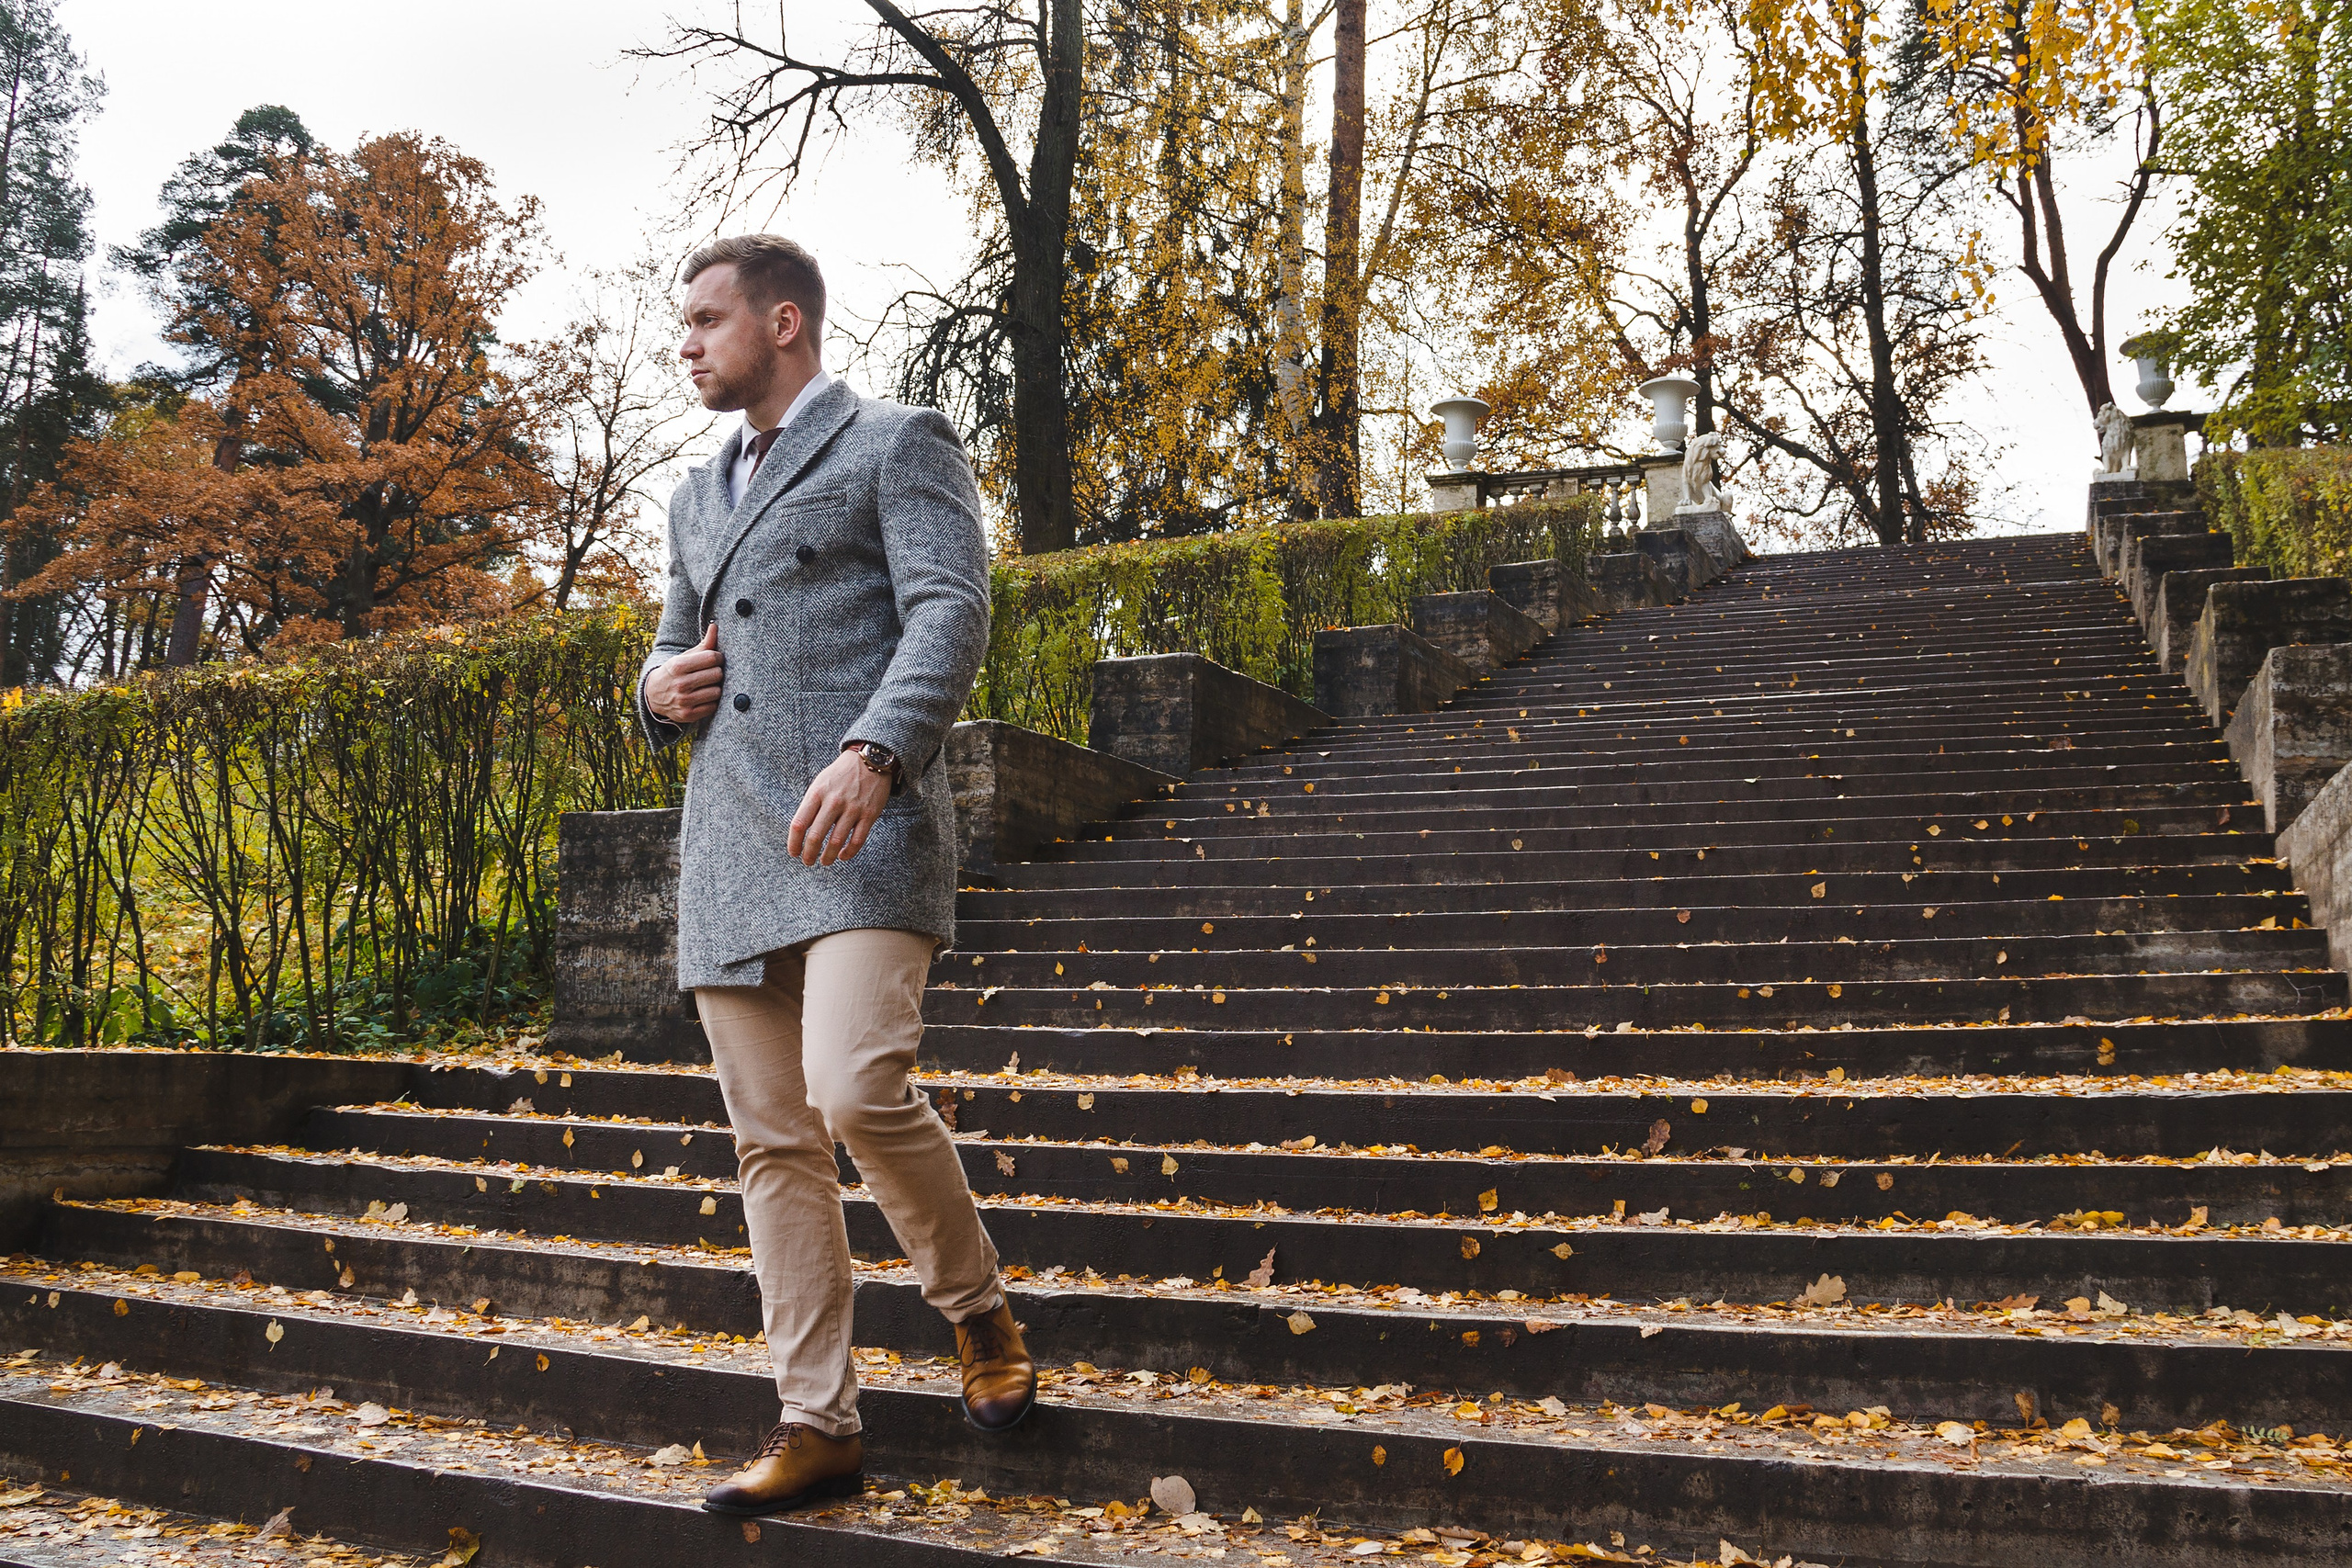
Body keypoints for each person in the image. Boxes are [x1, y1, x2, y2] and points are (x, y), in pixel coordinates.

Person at [635, 234, 1032, 1517]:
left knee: (856, 1085)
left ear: (785, 321)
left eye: (706, 320)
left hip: (865, 825)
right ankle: (817, 1424)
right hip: (735, 841)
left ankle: (974, 1305)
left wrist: (878, 751)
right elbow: (667, 655)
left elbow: (951, 606)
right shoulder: (694, 495)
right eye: (682, 324)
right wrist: (654, 691)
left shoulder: (896, 439)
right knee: (771, 1144)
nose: (685, 343)